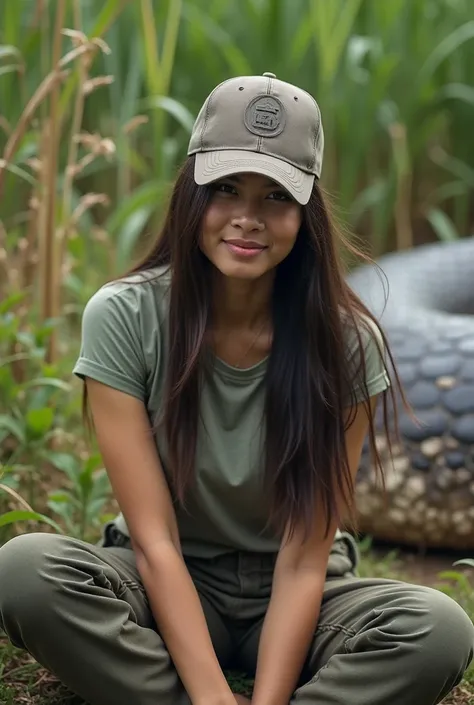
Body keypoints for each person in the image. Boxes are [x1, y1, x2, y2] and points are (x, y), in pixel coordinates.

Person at [0, 72, 472, 705]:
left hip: (301, 593)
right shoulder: (124, 316)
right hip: (162, 575)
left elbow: (306, 556)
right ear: (192, 192)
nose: (247, 219)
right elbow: (154, 540)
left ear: (306, 215)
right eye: (225, 189)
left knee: (437, 630)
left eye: (275, 195)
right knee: (25, 571)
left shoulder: (346, 342)